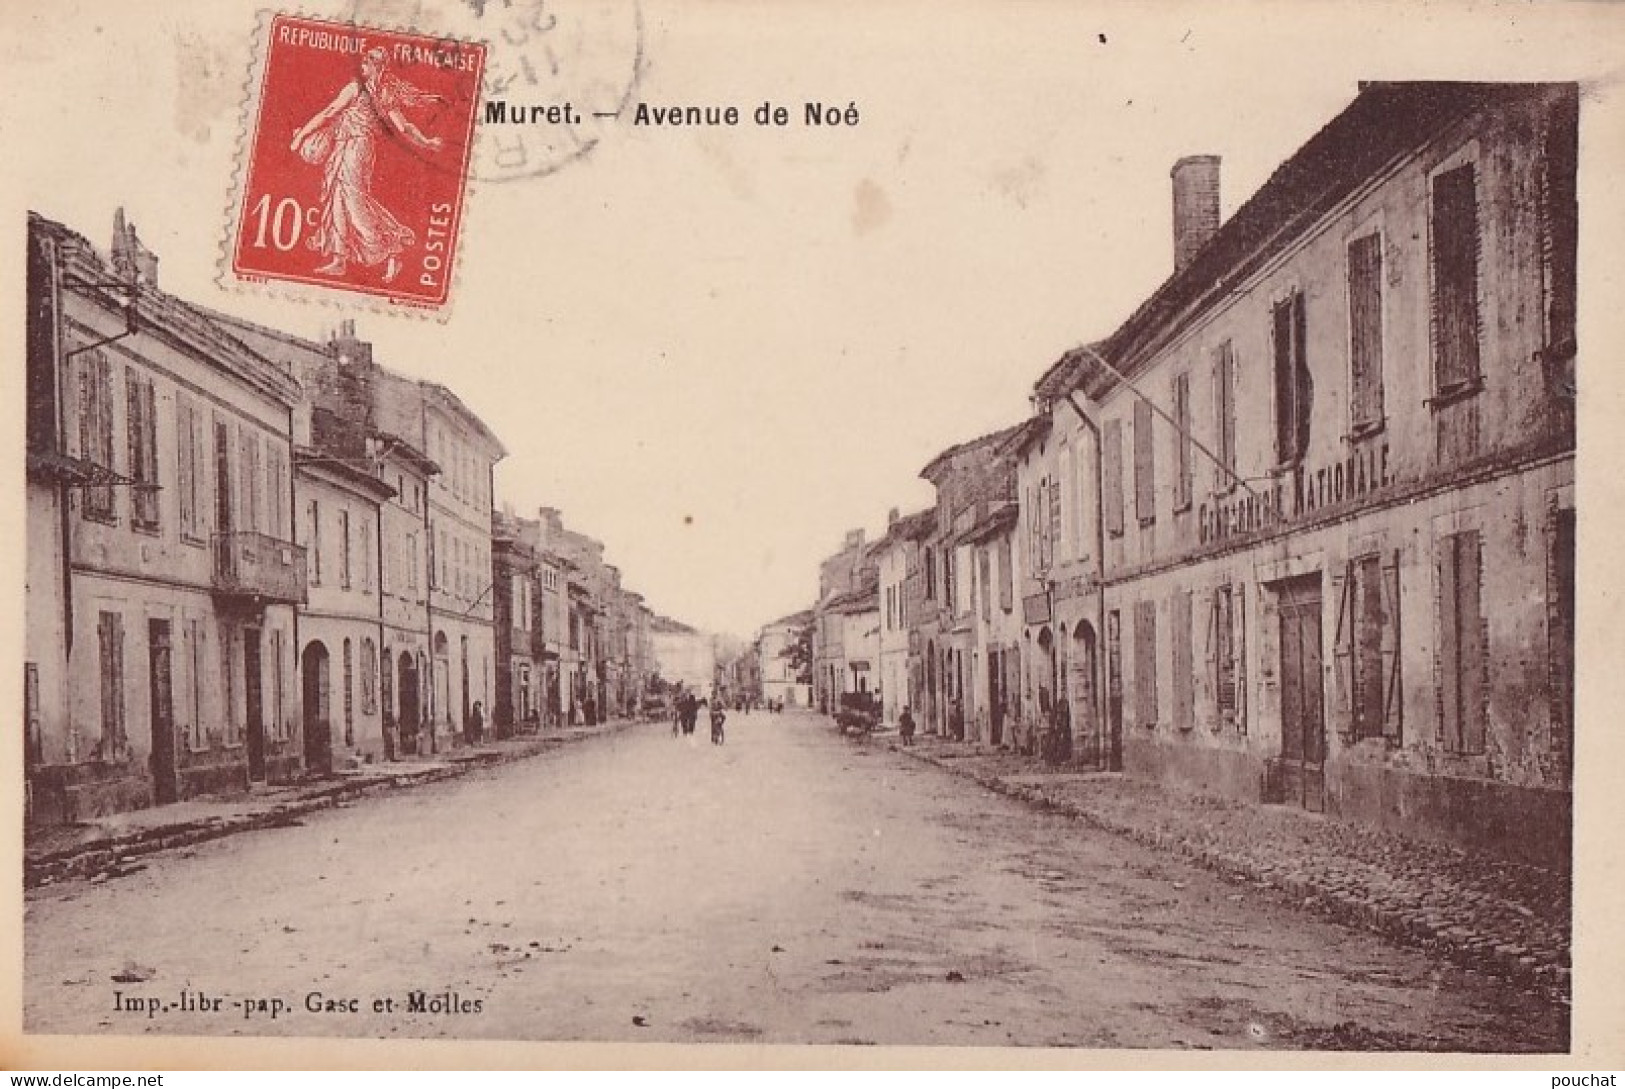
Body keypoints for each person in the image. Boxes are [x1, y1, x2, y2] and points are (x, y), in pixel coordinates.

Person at [289, 46, 445, 282]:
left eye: (365, 64)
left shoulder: (359, 89)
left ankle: (392, 249)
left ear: (375, 67)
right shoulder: (382, 93)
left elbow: (329, 112)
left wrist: (301, 137)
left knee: (354, 201)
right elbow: (404, 128)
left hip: (355, 148)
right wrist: (427, 142)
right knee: (337, 197)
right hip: (350, 146)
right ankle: (338, 259)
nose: (361, 68)